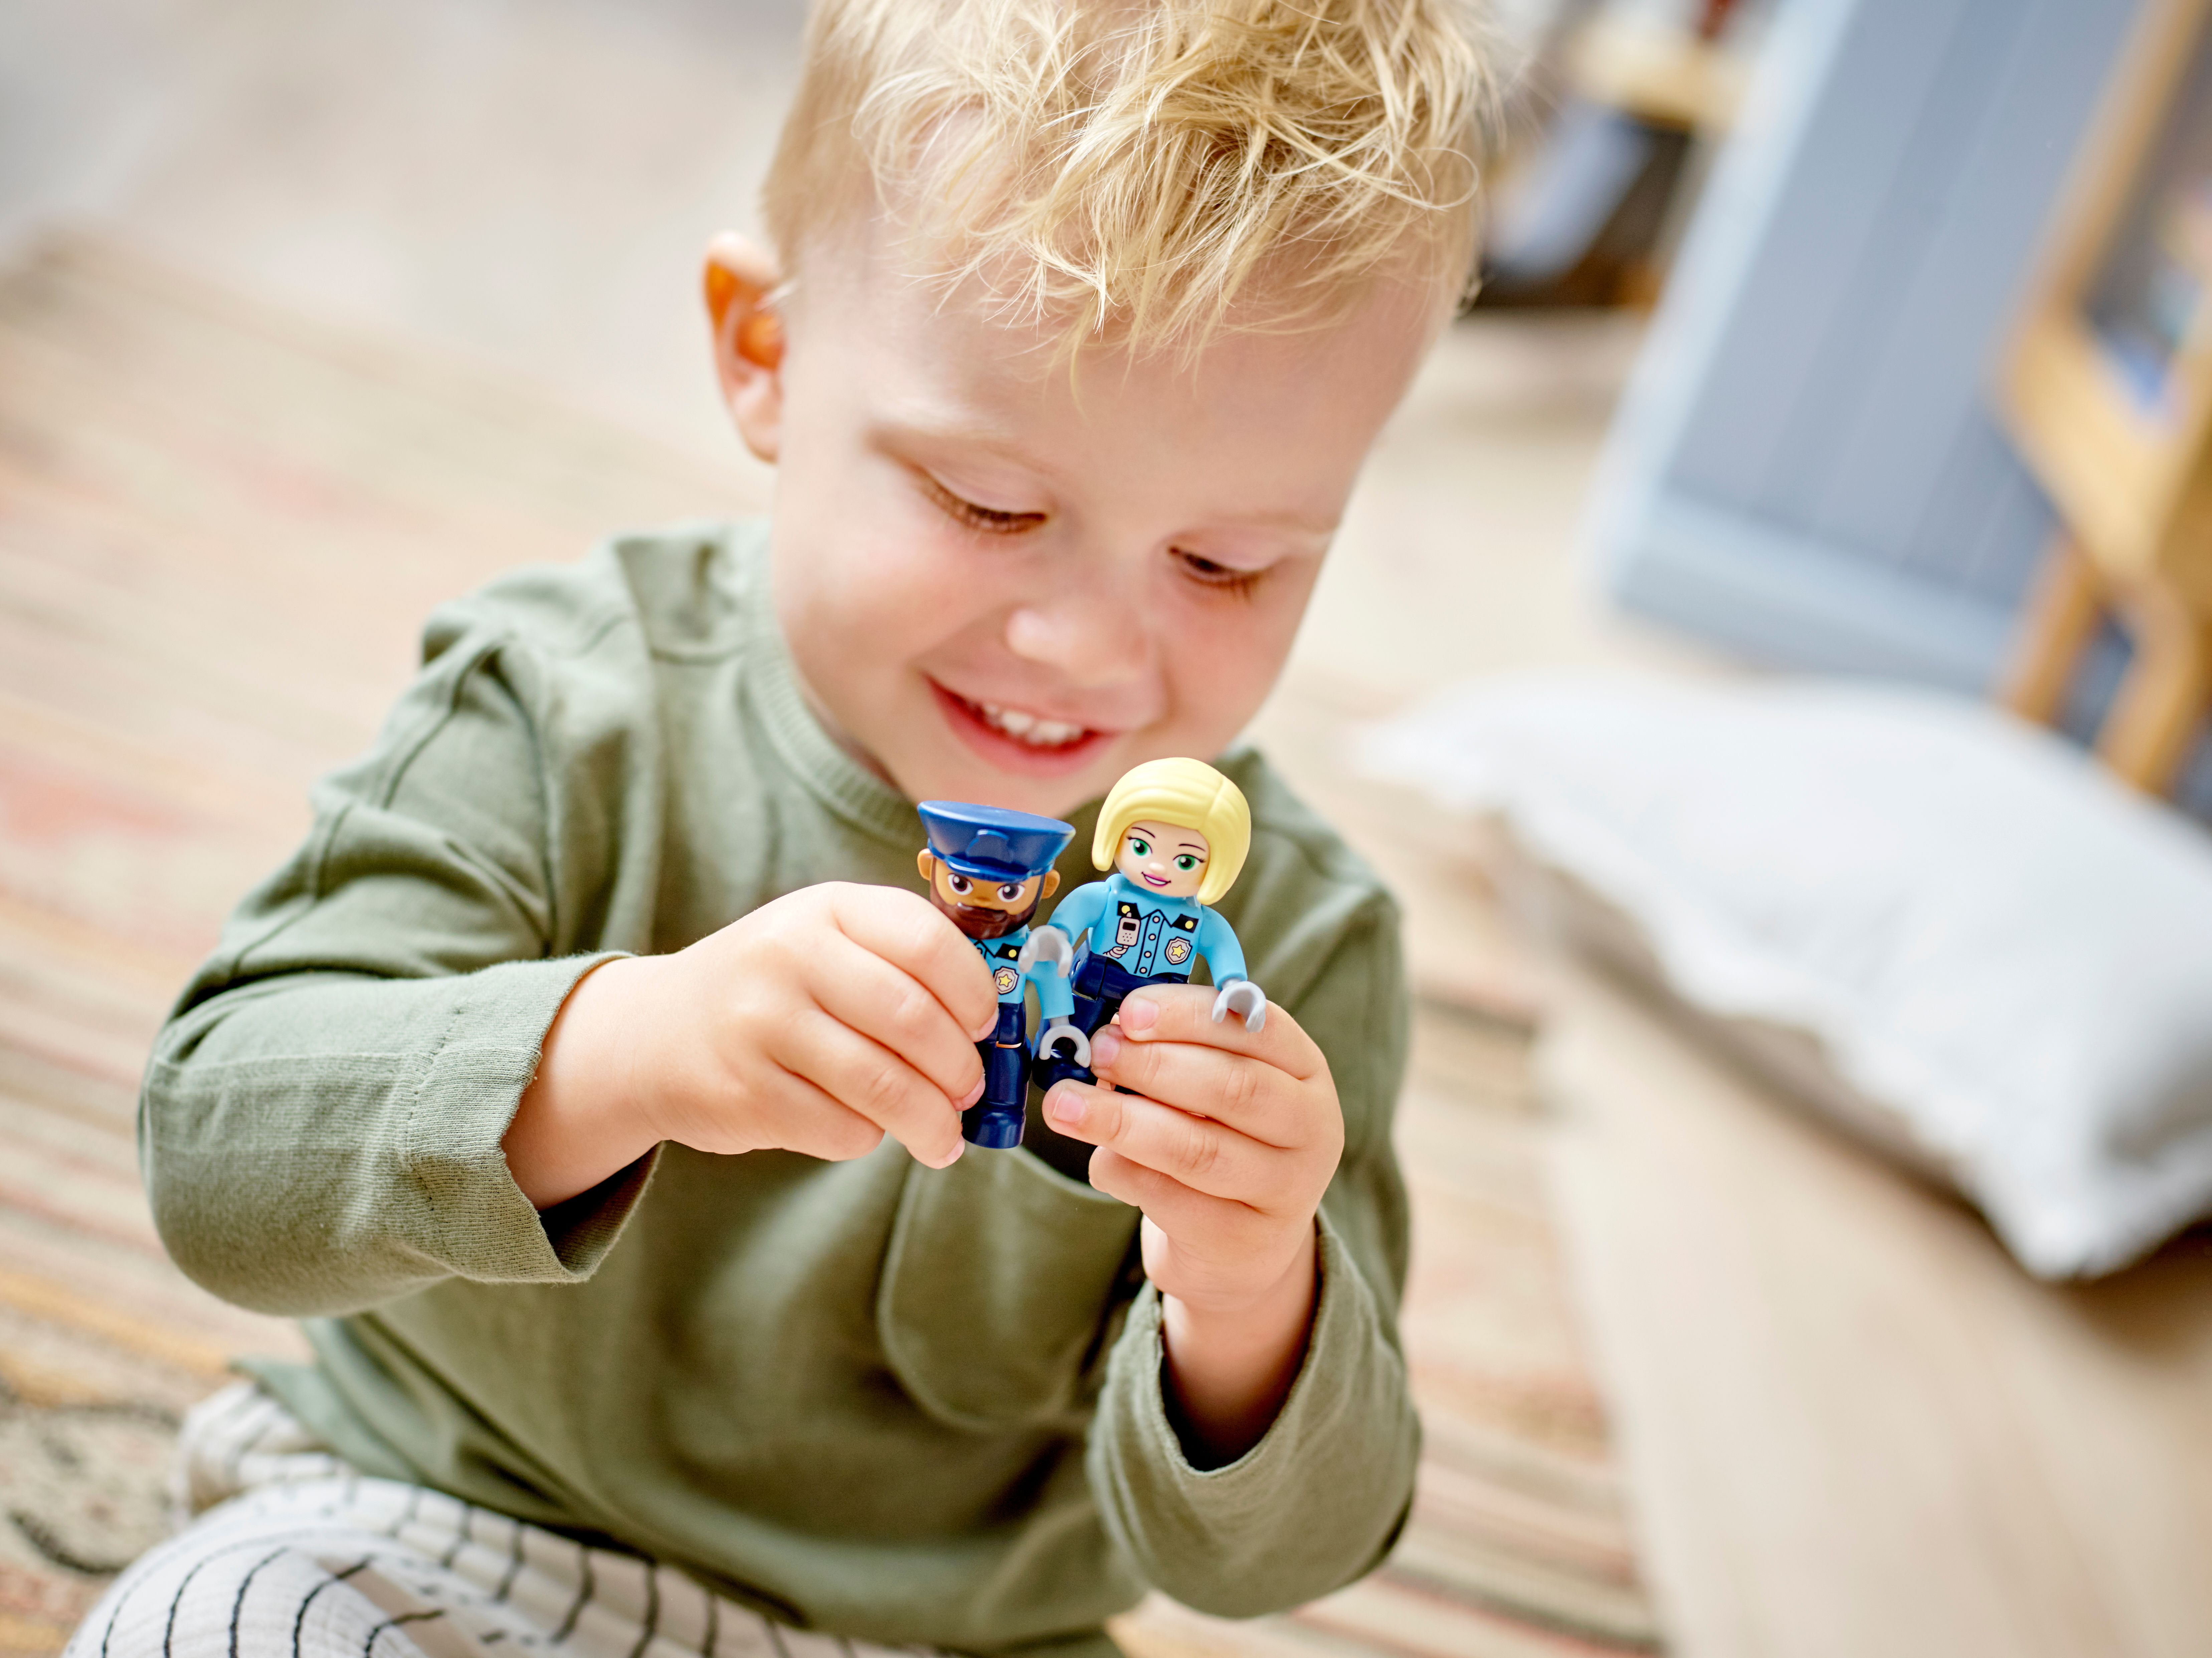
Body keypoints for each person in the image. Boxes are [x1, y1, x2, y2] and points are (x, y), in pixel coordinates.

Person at [79, 0, 1493, 1652]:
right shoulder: (565, 700)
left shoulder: (1301, 947)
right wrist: (625, 1044)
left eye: (1225, 564)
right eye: (991, 505)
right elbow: (218, 1163)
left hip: (945, 1639)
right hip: (446, 1519)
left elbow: (1277, 1563)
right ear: (764, 354)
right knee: (226, 1621)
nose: (1087, 649)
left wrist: (1253, 1289)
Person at [1032, 760, 1265, 1095]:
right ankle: (1060, 1058)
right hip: (1099, 976)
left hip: (1160, 994)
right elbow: (1076, 912)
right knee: (1076, 1020)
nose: (1158, 866)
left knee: (1144, 1047)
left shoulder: (1201, 920)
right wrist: (1059, 936)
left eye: (1186, 861)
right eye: (1141, 846)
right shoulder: (1108, 895)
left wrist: (1233, 984)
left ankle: (1135, 1083)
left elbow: (1221, 947)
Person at [913, 799, 1088, 1148]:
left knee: (1003, 1088)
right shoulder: (921, 933)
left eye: (1009, 892)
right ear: (928, 867)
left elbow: (1051, 978)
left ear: (1047, 886)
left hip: (1005, 1027)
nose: (985, 903)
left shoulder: (1032, 947)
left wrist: (1061, 1024)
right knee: (922, 1092)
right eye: (961, 883)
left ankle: (998, 1121)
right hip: (937, 1022)